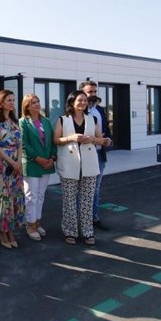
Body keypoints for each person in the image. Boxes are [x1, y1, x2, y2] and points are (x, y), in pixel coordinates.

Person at [53, 90, 109, 246]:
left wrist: (93, 139)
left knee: (87, 200)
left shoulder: (92, 119)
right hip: (69, 164)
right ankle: (70, 231)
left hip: (89, 165)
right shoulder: (62, 120)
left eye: (85, 100)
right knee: (69, 201)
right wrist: (71, 138)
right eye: (80, 100)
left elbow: (101, 140)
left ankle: (87, 231)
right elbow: (56, 140)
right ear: (72, 102)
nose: (83, 103)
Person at [0, 90, 25, 249]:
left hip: (15, 163)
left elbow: (19, 143)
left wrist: (18, 161)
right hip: (2, 164)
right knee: (3, 198)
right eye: (9, 100)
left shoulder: (15, 121)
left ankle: (10, 230)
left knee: (14, 197)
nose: (12, 102)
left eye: (13, 99)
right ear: (1, 102)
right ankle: (2, 231)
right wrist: (11, 162)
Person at [19, 93, 57, 241]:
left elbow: (53, 142)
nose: (37, 104)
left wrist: (52, 158)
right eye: (33, 102)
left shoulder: (46, 121)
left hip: (47, 164)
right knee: (31, 197)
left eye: (38, 101)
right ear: (27, 106)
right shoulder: (23, 122)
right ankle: (30, 225)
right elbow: (23, 144)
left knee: (40, 195)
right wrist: (37, 158)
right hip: (32, 164)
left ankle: (37, 221)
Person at [80, 79, 113, 230]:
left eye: (94, 91)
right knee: (83, 188)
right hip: (84, 156)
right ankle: (81, 219)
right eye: (89, 92)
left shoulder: (100, 110)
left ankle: (94, 217)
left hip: (100, 155)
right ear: (82, 94)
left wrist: (108, 140)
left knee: (96, 188)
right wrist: (95, 139)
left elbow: (107, 130)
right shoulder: (78, 112)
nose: (93, 94)